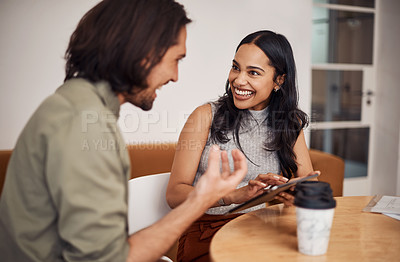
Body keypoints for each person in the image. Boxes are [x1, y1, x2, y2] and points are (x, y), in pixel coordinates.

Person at [0, 0, 249, 261]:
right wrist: (201, 199)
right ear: (142, 52)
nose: (175, 76)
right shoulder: (86, 128)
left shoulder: (71, 105)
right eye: (176, 59)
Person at [166, 30, 318, 261]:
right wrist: (232, 196)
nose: (238, 80)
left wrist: (297, 192)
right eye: (236, 67)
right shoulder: (204, 116)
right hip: (206, 232)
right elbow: (175, 193)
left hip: (259, 231)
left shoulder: (289, 123)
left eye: (253, 72)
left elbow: (308, 180)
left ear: (279, 80)